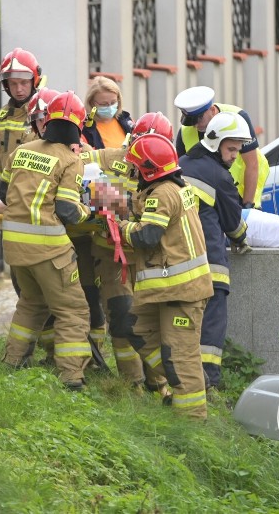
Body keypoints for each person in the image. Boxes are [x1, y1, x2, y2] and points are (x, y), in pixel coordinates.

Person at [0, 91, 93, 390]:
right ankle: (72, 377)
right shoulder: (70, 160)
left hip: (14, 247)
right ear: (80, 125)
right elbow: (67, 209)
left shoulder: (22, 150)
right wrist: (88, 212)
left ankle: (12, 363)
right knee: (73, 309)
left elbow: (3, 194)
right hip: (49, 250)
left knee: (31, 303)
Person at [118, 133, 213, 419]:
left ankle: (192, 421)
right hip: (166, 289)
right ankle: (184, 379)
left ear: (148, 170)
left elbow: (147, 235)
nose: (132, 173)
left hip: (182, 292)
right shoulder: (171, 187)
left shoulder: (162, 193)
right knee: (135, 328)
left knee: (180, 357)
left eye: (135, 168)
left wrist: (119, 228)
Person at [81, 111, 175, 386]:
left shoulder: (167, 171)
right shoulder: (111, 158)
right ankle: (131, 383)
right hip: (112, 257)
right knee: (122, 321)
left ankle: (157, 382)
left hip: (148, 259)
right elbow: (76, 163)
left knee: (149, 324)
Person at [179, 112, 251, 392]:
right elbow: (234, 225)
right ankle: (209, 379)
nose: (235, 156)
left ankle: (184, 374)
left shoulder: (182, 163)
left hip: (180, 259)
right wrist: (241, 237)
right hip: (210, 262)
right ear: (214, 143)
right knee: (212, 322)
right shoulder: (220, 176)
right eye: (231, 148)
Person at [173, 85, 268, 209]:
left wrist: (248, 206)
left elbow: (252, 164)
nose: (196, 126)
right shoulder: (185, 132)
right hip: (213, 196)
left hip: (243, 192)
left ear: (212, 110)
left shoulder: (238, 118)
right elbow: (181, 173)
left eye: (199, 120)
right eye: (192, 122)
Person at [0, 47, 41, 180]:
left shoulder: (43, 112)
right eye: (13, 83)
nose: (19, 89)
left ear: (34, 81)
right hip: (7, 190)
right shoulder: (4, 116)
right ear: (6, 85)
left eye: (24, 83)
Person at [81, 76, 134, 149]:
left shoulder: (126, 121)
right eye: (104, 104)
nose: (109, 107)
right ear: (92, 103)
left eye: (113, 102)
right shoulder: (84, 128)